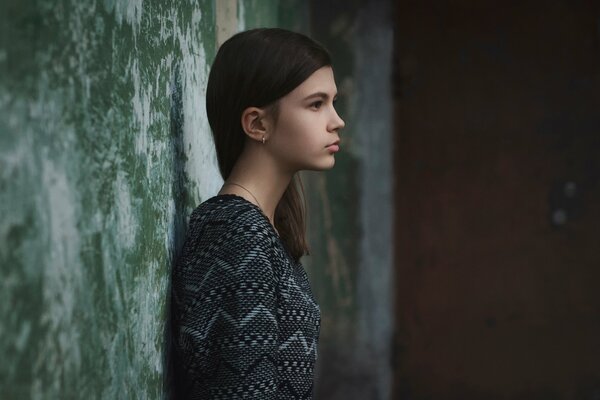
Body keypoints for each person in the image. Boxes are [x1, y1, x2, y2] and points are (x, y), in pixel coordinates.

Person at [171, 27, 345, 399]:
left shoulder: (258, 229)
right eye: (316, 104)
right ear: (257, 124)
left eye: (333, 102)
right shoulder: (235, 232)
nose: (336, 120)